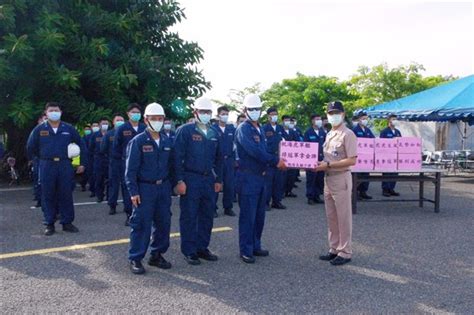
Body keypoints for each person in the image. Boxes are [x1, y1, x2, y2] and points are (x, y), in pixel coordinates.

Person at [235, 94, 287, 263]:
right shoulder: (244, 129)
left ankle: (255, 245)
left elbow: (265, 150)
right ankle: (246, 249)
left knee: (259, 215)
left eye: (257, 109)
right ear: (245, 110)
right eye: (251, 109)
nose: (255, 112)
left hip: (261, 178)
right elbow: (255, 152)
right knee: (248, 216)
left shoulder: (260, 129)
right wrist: (275, 161)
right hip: (248, 177)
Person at [125, 103, 174, 275]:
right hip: (144, 188)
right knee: (141, 224)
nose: (158, 122)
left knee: (163, 223)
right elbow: (130, 170)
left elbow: (172, 166)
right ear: (146, 120)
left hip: (163, 187)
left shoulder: (168, 140)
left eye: (160, 119)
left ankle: (157, 254)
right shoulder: (138, 141)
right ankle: (135, 258)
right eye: (154, 119)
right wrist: (133, 192)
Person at [174, 96, 223, 265]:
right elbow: (176, 157)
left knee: (207, 215)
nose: (205, 114)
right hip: (190, 178)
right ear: (195, 112)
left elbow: (220, 159)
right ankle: (189, 250)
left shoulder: (214, 132)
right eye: (202, 111)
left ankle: (202, 247)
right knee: (189, 215)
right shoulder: (185, 130)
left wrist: (219, 180)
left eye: (208, 112)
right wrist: (179, 180)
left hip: (209, 179)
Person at [26, 102, 86, 236]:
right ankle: (49, 223)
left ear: (61, 112)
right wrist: (40, 159)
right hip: (47, 165)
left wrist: (81, 163)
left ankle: (67, 222)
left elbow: (81, 144)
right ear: (46, 113)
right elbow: (31, 147)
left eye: (56, 110)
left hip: (65, 164)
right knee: (47, 194)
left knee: (66, 193)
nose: (54, 112)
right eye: (51, 110)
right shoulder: (39, 129)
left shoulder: (68, 128)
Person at [315, 101, 357, 266]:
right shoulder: (330, 134)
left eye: (336, 113)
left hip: (341, 177)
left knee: (343, 217)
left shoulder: (348, 134)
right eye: (331, 113)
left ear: (343, 114)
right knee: (331, 217)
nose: (334, 116)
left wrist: (329, 165)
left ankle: (345, 252)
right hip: (328, 178)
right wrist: (319, 164)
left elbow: (352, 160)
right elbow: (328, 157)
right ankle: (334, 248)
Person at [113, 104, 146, 225]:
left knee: (143, 188)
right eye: (133, 112)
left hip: (144, 164)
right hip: (126, 163)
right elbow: (116, 147)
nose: (136, 114)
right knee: (129, 189)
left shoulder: (144, 127)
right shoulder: (122, 129)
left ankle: (142, 212)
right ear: (128, 114)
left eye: (138, 112)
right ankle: (129, 214)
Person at [211, 106, 236, 217]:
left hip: (229, 160)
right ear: (218, 115)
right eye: (223, 114)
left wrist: (235, 159)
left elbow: (236, 146)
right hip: (217, 162)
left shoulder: (232, 129)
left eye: (227, 114)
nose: (225, 116)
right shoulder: (212, 129)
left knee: (230, 185)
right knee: (216, 184)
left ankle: (228, 207)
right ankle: (213, 208)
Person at [101, 114, 125, 215]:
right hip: (114, 161)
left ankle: (127, 205)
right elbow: (103, 148)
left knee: (127, 185)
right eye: (117, 120)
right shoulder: (109, 134)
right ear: (113, 122)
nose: (119, 122)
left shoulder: (127, 133)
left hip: (126, 161)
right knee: (113, 184)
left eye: (121, 120)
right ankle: (112, 205)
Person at [263, 108, 286, 210]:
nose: (274, 116)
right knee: (268, 183)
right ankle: (266, 203)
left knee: (279, 181)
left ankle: (277, 202)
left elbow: (287, 143)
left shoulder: (281, 128)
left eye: (276, 114)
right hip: (269, 159)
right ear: (268, 116)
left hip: (280, 158)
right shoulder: (264, 128)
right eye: (272, 114)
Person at [304, 114, 327, 204]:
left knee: (319, 179)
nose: (319, 121)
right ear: (312, 121)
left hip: (321, 159)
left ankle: (317, 196)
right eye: (317, 119)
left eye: (320, 119)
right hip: (311, 160)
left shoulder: (322, 132)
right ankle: (310, 197)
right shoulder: (308, 132)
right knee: (311, 179)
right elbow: (305, 146)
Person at [352, 111, 375, 200]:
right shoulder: (355, 130)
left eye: (366, 119)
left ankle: (363, 192)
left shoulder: (368, 130)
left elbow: (373, 140)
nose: (365, 120)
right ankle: (355, 192)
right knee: (358, 175)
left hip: (367, 156)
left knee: (366, 175)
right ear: (359, 120)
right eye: (363, 119)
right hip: (358, 156)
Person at [89, 118, 110, 203]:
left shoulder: (111, 134)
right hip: (98, 159)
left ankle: (109, 196)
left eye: (106, 123)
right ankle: (99, 195)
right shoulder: (95, 135)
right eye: (103, 123)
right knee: (98, 179)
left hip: (109, 158)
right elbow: (91, 147)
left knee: (110, 179)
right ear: (100, 125)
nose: (105, 125)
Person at [380, 114, 402, 197]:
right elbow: (381, 144)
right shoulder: (384, 131)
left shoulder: (398, 132)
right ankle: (385, 189)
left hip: (396, 156)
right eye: (393, 119)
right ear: (389, 120)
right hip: (386, 155)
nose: (395, 121)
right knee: (387, 173)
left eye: (396, 119)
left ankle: (391, 189)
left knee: (395, 173)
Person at [281, 115, 299, 198]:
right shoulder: (280, 130)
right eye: (286, 120)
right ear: (283, 121)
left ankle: (289, 191)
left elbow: (298, 142)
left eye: (289, 120)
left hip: (292, 157)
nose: (287, 122)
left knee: (292, 175)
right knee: (283, 175)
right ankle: (282, 191)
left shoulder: (293, 131)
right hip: (283, 157)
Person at [32, 114, 47, 208]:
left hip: (48, 160)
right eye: (44, 119)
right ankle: (39, 199)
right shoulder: (36, 131)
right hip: (38, 159)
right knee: (38, 180)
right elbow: (31, 146)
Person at [87, 122, 100, 198]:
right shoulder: (88, 136)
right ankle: (93, 190)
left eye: (97, 125)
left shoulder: (103, 134)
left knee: (99, 176)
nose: (95, 127)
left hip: (100, 158)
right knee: (92, 175)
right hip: (91, 157)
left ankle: (99, 191)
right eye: (94, 125)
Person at [80, 125, 92, 192]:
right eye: (86, 129)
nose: (87, 130)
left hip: (91, 157)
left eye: (88, 129)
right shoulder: (82, 138)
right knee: (84, 174)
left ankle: (91, 187)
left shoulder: (92, 137)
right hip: (84, 157)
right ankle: (83, 185)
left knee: (90, 173)